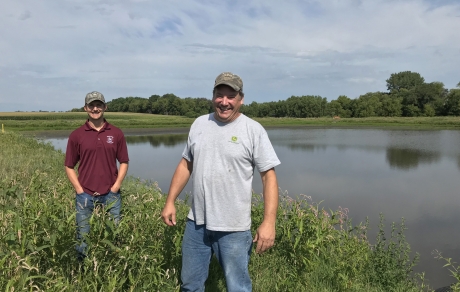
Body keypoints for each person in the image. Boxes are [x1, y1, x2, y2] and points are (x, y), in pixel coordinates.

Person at [161, 72, 281, 292]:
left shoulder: (253, 130)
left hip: (234, 228)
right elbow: (185, 164)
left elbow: (269, 177)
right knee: (190, 285)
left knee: (237, 287)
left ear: (241, 99)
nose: (224, 102)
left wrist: (269, 222)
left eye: (231, 96)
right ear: (213, 95)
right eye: (219, 95)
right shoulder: (199, 124)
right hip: (196, 223)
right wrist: (170, 201)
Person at [65, 91, 129, 260]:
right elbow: (69, 166)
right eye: (91, 105)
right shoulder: (76, 135)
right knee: (83, 237)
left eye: (99, 105)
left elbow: (124, 161)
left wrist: (116, 186)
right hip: (85, 196)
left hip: (111, 196)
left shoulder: (116, 133)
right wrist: (79, 190)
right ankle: (82, 272)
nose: (95, 108)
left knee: (114, 236)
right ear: (86, 108)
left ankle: (112, 267)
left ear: (105, 107)